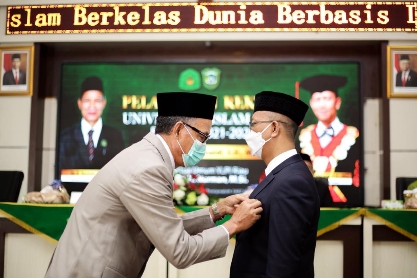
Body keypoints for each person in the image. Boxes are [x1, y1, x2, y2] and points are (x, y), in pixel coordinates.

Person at [45, 92, 263, 277]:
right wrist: (234, 225)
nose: (203, 145)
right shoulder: (150, 168)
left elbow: (162, 228)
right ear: (178, 129)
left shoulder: (149, 156)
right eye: (202, 137)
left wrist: (218, 210)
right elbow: (180, 250)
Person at [230, 91, 320, 278]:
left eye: (253, 124)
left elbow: (283, 264)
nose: (250, 132)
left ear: (273, 128)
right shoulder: (282, 174)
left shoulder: (292, 181)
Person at [298, 74, 360, 204]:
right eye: (317, 99)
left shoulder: (354, 136)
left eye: (327, 98)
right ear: (311, 103)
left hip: (346, 204)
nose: (322, 105)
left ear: (337, 102)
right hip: (307, 203)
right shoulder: (303, 136)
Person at [59, 76, 125, 169]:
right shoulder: (65, 138)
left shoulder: (116, 136)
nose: (92, 106)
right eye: (87, 100)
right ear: (79, 103)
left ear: (104, 103)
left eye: (97, 100)